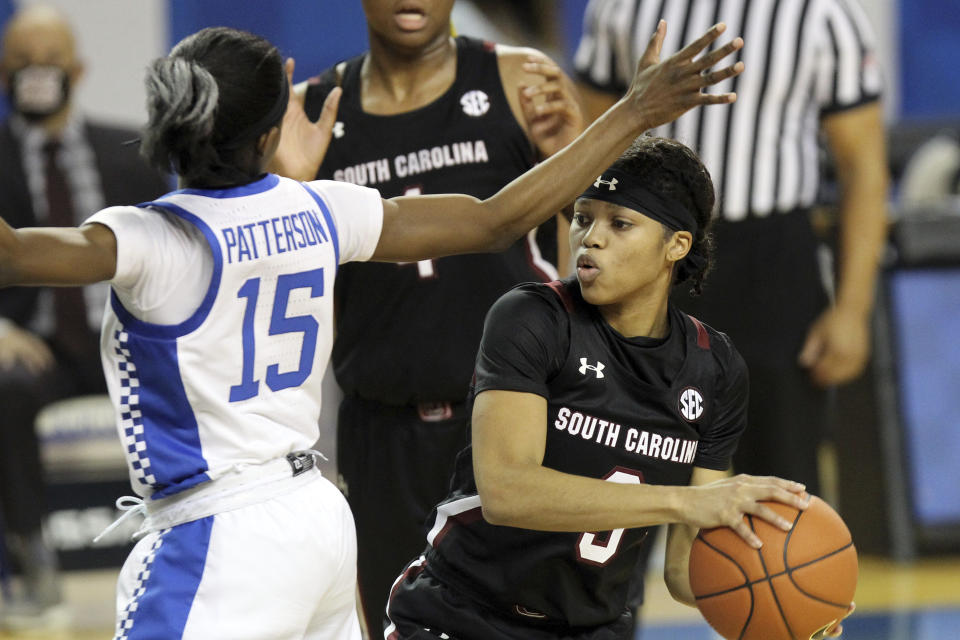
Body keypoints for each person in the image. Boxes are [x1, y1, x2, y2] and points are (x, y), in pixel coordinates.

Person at [0, 19, 744, 639]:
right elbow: (496, 218)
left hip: (216, 532)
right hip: (317, 518)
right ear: (268, 136)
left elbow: (10, 254)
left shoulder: (144, 239)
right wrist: (634, 112)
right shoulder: (321, 209)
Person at [385, 136, 851, 640]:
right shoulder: (532, 318)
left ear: (677, 245)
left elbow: (683, 570)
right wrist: (681, 502)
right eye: (583, 218)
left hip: (593, 628)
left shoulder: (714, 368)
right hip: (463, 615)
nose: (590, 238)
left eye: (620, 223)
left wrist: (782, 605)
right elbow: (507, 492)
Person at [299, 0, 585, 629]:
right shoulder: (309, 112)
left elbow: (600, 242)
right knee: (399, 624)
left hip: (515, 417)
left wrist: (578, 157)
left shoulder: (521, 79)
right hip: (382, 430)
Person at [573, 0, 889, 503]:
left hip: (774, 263)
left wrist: (852, 310)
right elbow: (584, 146)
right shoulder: (620, 6)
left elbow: (864, 167)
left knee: (781, 491)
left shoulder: (821, 13)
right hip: (651, 254)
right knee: (625, 474)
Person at [0, 5, 168, 628]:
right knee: (5, 389)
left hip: (127, 339)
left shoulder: (132, 153)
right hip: (37, 346)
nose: (35, 74)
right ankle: (32, 561)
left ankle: (187, 542)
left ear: (77, 69)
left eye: (48, 62)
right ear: (1, 72)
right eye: (21, 62)